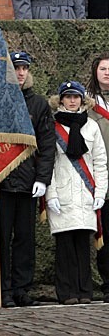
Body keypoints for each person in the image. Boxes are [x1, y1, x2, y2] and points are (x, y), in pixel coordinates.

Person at [0, 52, 56, 307]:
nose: (20, 72)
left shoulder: (39, 104)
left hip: (29, 182)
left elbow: (47, 144)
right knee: (2, 238)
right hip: (2, 182)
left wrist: (42, 178)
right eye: (15, 68)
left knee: (25, 238)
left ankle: (21, 288)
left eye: (23, 68)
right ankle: (4, 289)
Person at [46, 81, 107, 304]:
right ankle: (66, 292)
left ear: (83, 100)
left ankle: (84, 292)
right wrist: (50, 194)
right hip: (61, 194)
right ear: (61, 99)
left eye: (76, 97)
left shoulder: (91, 126)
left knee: (82, 245)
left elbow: (100, 162)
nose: (72, 100)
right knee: (64, 247)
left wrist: (100, 192)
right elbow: (48, 163)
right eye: (68, 96)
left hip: (86, 194)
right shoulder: (52, 126)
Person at [88, 54, 109, 301]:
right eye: (103, 68)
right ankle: (107, 283)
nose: (107, 72)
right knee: (105, 233)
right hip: (99, 175)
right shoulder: (87, 102)